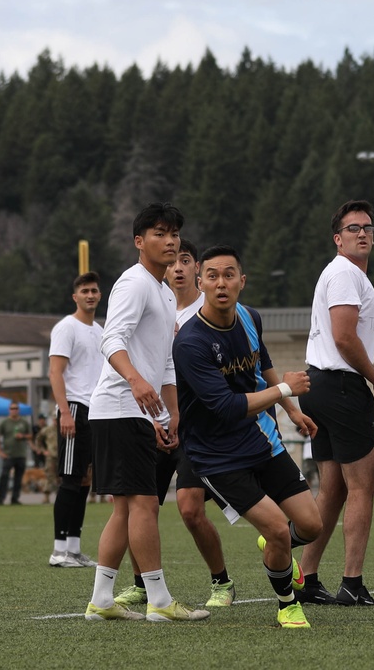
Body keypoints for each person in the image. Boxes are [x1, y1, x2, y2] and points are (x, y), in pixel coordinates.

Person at [174, 245, 323, 630]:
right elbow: (225, 407)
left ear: (242, 280)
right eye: (212, 275)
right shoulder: (190, 342)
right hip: (216, 455)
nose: (220, 283)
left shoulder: (249, 316)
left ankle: (275, 548)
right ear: (199, 281)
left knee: (311, 526)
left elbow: (264, 365)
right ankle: (287, 604)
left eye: (228, 274)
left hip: (262, 440)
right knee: (276, 528)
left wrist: (292, 411)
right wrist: (286, 392)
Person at [84, 202, 208, 622]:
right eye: (159, 232)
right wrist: (137, 383)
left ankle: (102, 601)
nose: (170, 240)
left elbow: (166, 361)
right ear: (140, 242)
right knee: (144, 505)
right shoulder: (134, 283)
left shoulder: (163, 290)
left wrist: (167, 416)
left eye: (174, 233)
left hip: (132, 413)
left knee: (127, 508)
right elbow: (111, 338)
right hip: (119, 407)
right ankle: (158, 601)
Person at [115, 239, 236, 610]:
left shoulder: (213, 309)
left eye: (187, 261)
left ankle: (222, 583)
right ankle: (141, 583)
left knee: (189, 507)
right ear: (164, 268)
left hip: (197, 427)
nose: (179, 268)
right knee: (139, 503)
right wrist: (152, 416)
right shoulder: (153, 303)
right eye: (175, 262)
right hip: (156, 422)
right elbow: (139, 361)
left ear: (197, 270)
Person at [297, 200, 374, 607]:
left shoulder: (346, 274)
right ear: (338, 239)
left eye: (367, 227)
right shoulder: (344, 274)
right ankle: (352, 582)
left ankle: (306, 576)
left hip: (321, 384)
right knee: (361, 486)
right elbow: (345, 337)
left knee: (332, 489)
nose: (363, 233)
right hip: (340, 386)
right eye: (353, 228)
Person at [47, 271, 104, 567]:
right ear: (75, 296)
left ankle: (73, 548)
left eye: (94, 290)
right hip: (75, 408)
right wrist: (64, 412)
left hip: (95, 412)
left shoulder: (99, 330)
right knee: (69, 480)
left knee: (84, 481)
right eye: (85, 291)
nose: (90, 295)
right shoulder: (66, 328)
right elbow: (55, 372)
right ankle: (58, 551)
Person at [0, 401, 31, 505]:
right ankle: (0, 499)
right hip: (8, 455)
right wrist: (0, 451)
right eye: (12, 408)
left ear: (18, 410)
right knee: (4, 477)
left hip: (21, 454)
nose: (14, 410)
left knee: (18, 478)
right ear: (9, 410)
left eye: (15, 408)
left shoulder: (24, 422)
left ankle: (15, 499)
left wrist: (23, 436)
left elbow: (30, 436)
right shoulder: (5, 422)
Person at [34, 416, 59, 504]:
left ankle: (60, 496)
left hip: (62, 456)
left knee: (62, 477)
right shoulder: (47, 429)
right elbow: (38, 439)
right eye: (55, 419)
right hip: (51, 456)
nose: (57, 421)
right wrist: (42, 450)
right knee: (49, 476)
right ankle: (46, 496)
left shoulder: (64, 427)